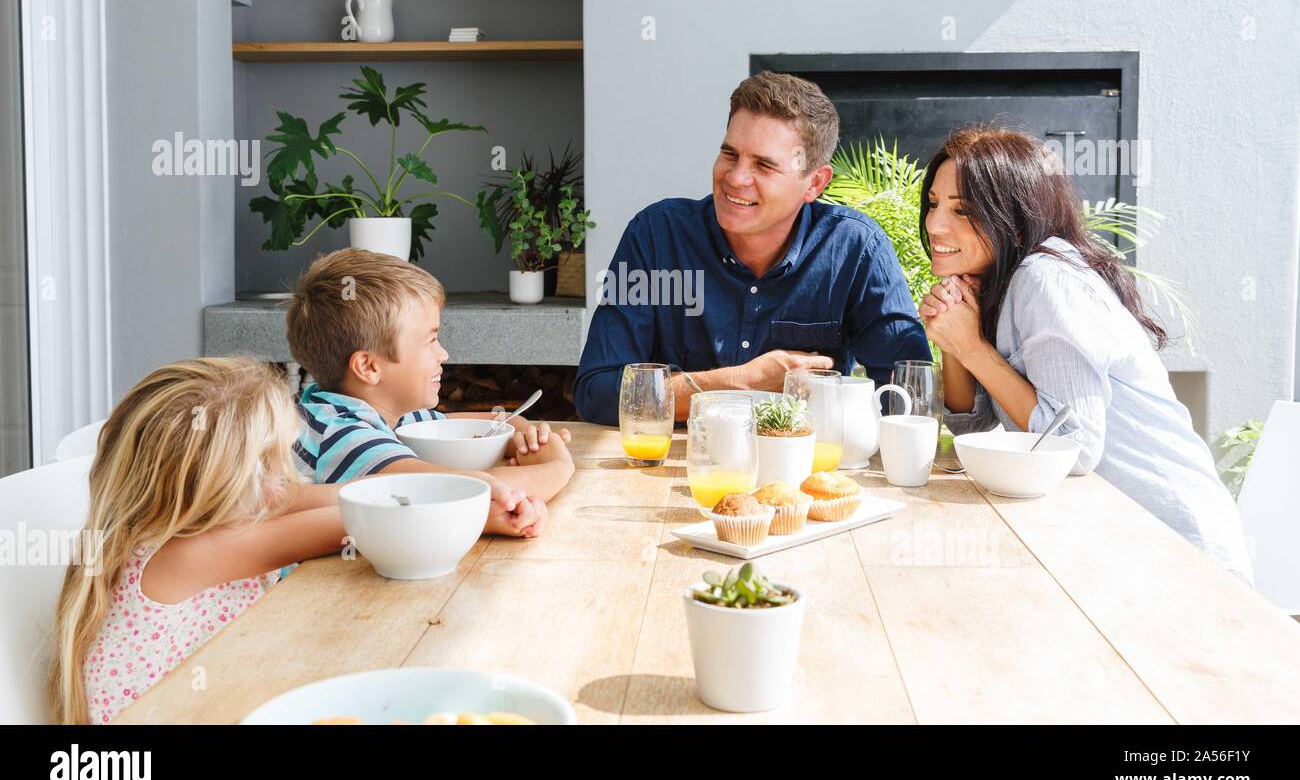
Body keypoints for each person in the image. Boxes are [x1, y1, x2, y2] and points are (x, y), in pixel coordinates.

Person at [918, 126, 1252, 582]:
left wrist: (971, 347)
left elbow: (1072, 447)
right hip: (1107, 536)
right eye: (934, 204)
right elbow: (970, 426)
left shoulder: (1045, 278)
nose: (935, 224)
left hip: (1177, 547)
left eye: (963, 210)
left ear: (1014, 217)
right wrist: (956, 340)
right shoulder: (1001, 280)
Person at [575, 70, 929, 425]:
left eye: (763, 165)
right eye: (730, 154)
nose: (735, 177)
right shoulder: (655, 236)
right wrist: (737, 383)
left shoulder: (856, 249)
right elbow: (596, 392)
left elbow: (911, 398)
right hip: (675, 471)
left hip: (801, 471)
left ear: (815, 184)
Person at [50, 357, 348, 723]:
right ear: (226, 484)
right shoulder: (186, 554)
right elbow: (361, 518)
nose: (287, 477)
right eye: (273, 462)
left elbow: (357, 499)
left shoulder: (188, 520)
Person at [286, 248, 576, 538]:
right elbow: (466, 491)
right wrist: (559, 465)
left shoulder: (388, 412)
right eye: (431, 340)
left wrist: (528, 437)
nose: (444, 354)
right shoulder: (343, 435)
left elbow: (489, 425)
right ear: (369, 366)